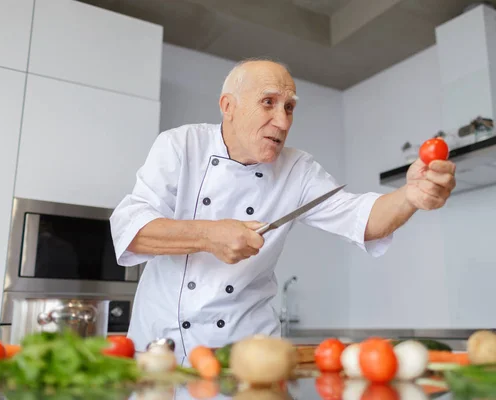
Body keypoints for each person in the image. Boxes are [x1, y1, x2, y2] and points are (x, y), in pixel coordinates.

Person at [110, 58, 456, 365]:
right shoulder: (181, 146)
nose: (283, 121)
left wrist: (411, 196)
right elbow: (130, 229)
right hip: (159, 352)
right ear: (228, 106)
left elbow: (364, 219)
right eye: (268, 103)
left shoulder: (298, 169)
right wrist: (210, 234)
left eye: (289, 107)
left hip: (247, 356)